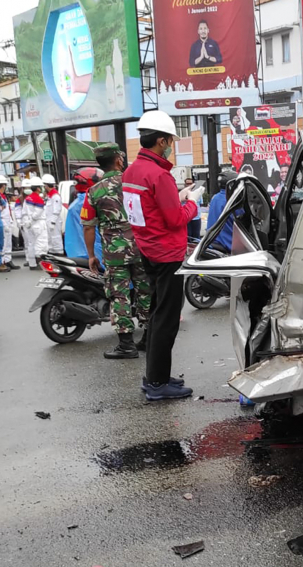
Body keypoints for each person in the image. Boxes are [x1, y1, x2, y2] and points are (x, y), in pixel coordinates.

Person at [123, 110, 204, 400]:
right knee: (166, 319)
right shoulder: (160, 174)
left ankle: (156, 376)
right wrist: (192, 202)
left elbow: (146, 209)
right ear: (160, 140)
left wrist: (178, 196)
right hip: (167, 253)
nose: (171, 143)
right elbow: (175, 220)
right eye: (170, 139)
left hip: (148, 250)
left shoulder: (133, 171)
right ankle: (157, 384)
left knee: (158, 315)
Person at [83, 143, 153, 360]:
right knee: (145, 291)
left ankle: (126, 345)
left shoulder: (94, 191)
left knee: (119, 295)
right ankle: (149, 338)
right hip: (142, 247)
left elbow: (88, 225)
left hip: (114, 253)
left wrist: (91, 255)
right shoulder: (134, 184)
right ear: (119, 160)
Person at [65, 168, 104, 263]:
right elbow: (89, 228)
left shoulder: (77, 202)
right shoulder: (88, 201)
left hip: (77, 252)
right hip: (92, 252)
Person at [206, 171, 238, 251]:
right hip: (227, 243)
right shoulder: (232, 200)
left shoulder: (215, 198)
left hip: (212, 240)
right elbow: (243, 219)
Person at [21, 178, 49, 269]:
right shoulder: (38, 199)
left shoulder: (27, 198)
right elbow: (37, 214)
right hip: (38, 223)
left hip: (30, 225)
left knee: (31, 244)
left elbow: (24, 212)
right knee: (41, 243)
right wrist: (31, 220)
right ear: (38, 189)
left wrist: (27, 222)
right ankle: (40, 264)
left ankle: (32, 264)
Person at [0, 176, 19, 270]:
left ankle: (8, 260)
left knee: (8, 243)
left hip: (7, 221)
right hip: (2, 221)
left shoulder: (2, 196)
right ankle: (2, 262)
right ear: (3, 185)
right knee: (2, 244)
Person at [42, 174, 64, 254]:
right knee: (50, 238)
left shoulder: (55, 196)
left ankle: (59, 253)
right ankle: (52, 253)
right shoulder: (49, 196)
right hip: (49, 221)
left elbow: (57, 210)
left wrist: (53, 222)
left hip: (54, 222)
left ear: (46, 185)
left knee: (56, 238)